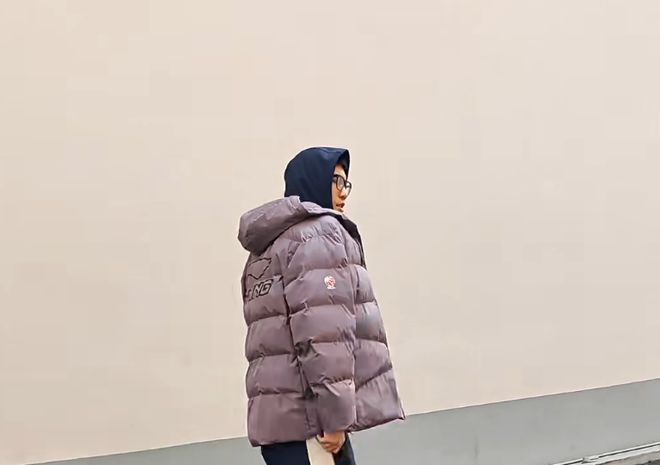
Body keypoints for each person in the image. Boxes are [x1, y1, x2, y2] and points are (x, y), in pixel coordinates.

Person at [238, 147, 404, 465]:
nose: (343, 192)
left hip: (278, 423)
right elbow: (324, 335)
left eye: (346, 183)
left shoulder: (267, 246)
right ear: (313, 181)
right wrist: (336, 419)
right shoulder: (319, 234)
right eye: (336, 181)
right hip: (313, 425)